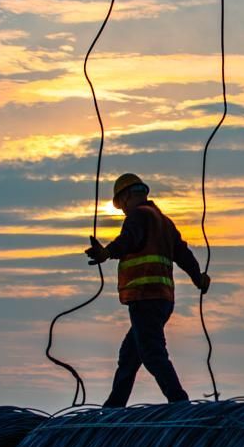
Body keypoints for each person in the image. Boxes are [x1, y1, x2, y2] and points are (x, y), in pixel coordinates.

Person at [85, 173, 210, 406]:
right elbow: (184, 255)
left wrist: (106, 253)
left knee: (152, 353)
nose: (122, 210)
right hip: (162, 300)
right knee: (130, 356)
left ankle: (179, 403)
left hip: (144, 296)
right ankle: (113, 408)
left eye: (121, 205)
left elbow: (128, 240)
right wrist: (198, 278)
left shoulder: (138, 216)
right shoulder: (164, 221)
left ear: (127, 196)